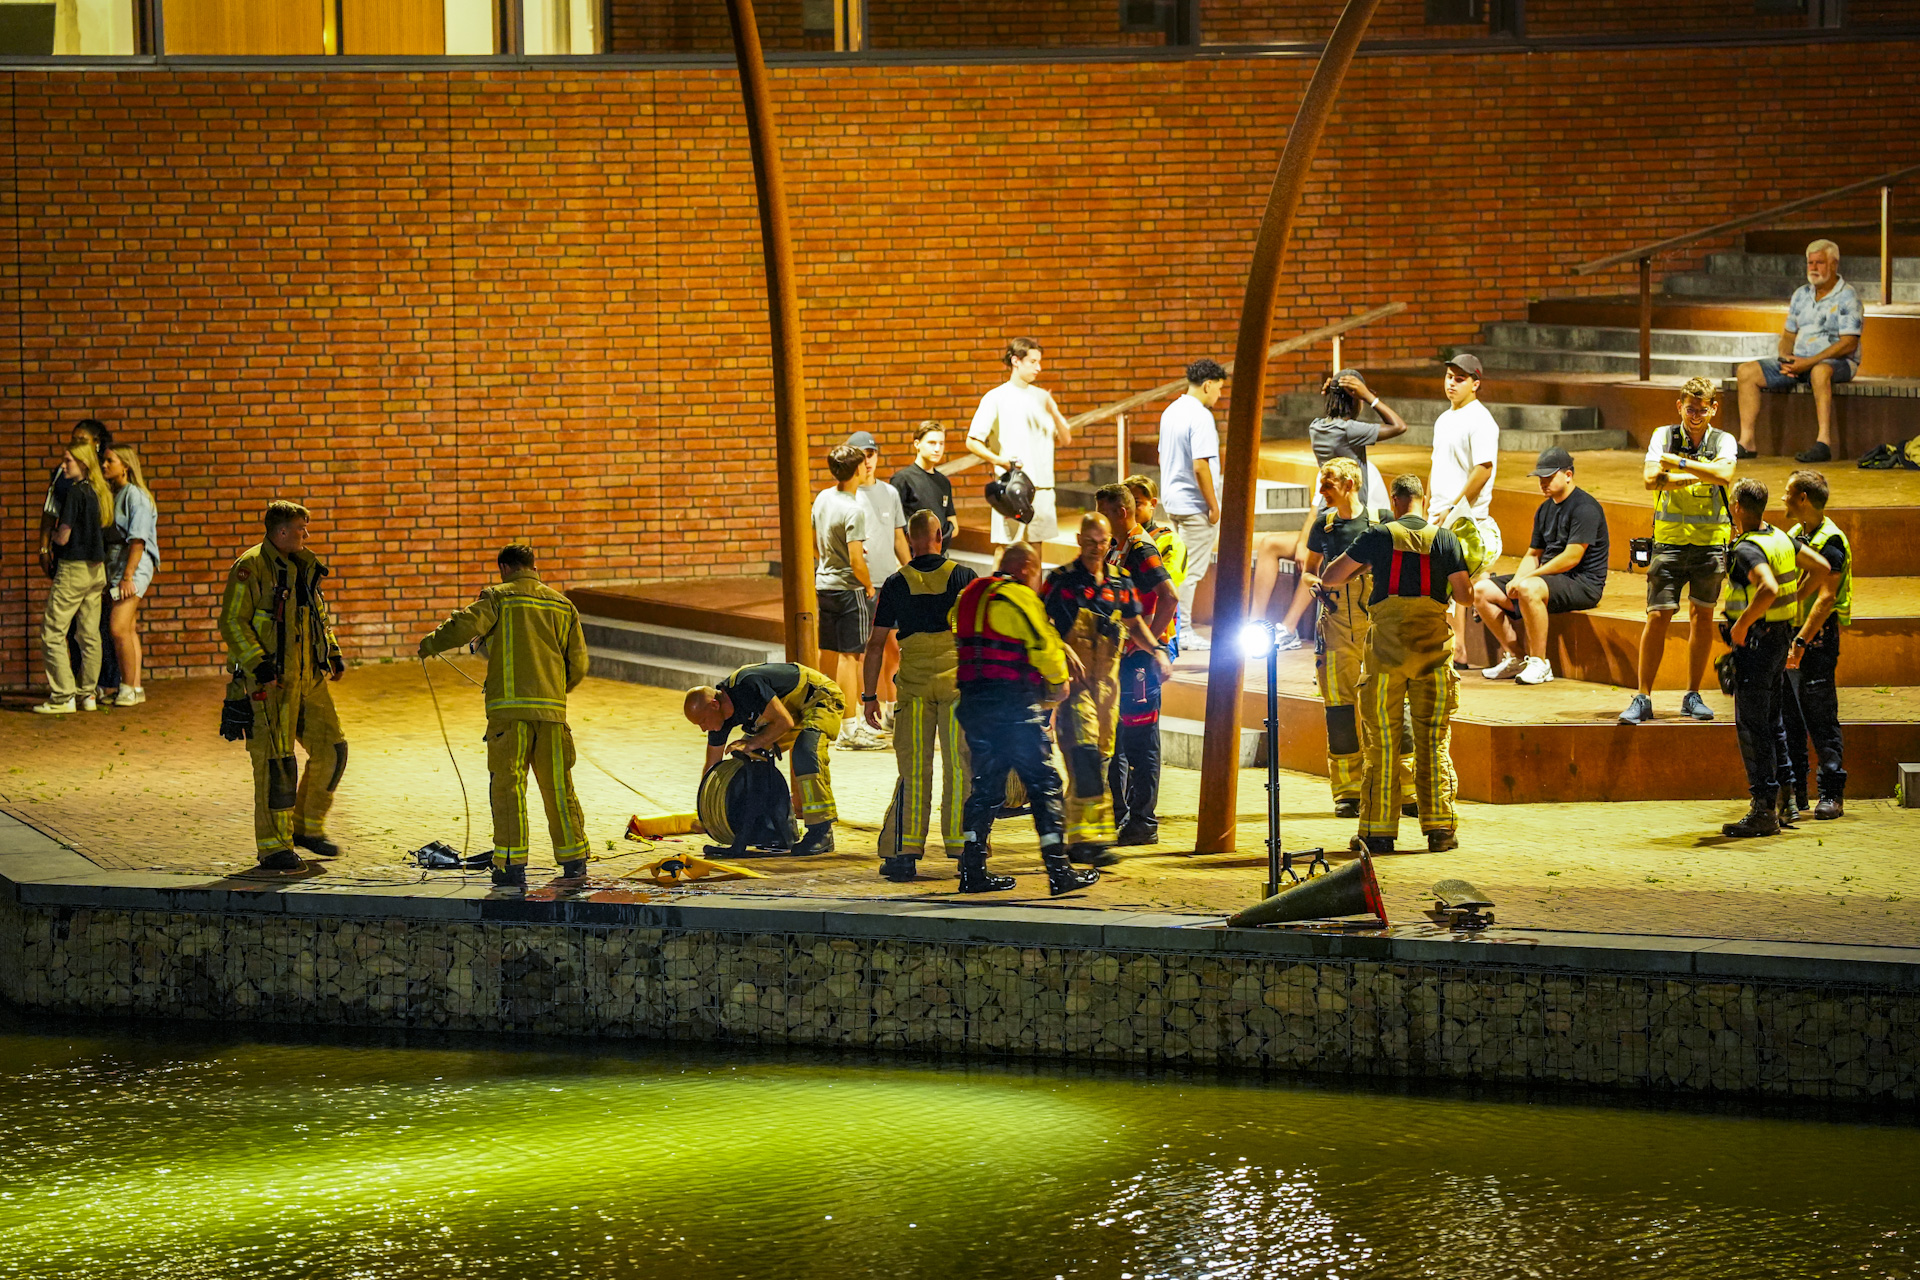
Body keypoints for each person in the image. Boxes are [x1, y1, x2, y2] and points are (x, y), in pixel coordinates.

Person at [418, 544, 590, 887]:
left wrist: (430, 644)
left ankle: (511, 864)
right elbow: (580, 664)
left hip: (508, 715)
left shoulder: (498, 597)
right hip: (553, 714)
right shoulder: (563, 604)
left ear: (505, 568)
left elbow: (463, 624)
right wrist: (554, 691)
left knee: (509, 787)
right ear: (533, 566)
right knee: (559, 787)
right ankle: (574, 860)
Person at [1319, 474, 1473, 854]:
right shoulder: (1446, 539)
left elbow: (1330, 576)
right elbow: (1466, 597)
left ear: (1394, 499)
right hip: (1434, 655)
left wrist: (1364, 569)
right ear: (1425, 498)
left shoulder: (1378, 536)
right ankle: (1440, 830)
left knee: (1382, 744)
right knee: (1432, 742)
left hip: (1386, 654)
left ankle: (1378, 833)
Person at [951, 542, 1098, 896]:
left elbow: (961, 632)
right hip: (1013, 705)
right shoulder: (1018, 597)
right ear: (1028, 566)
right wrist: (1059, 684)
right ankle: (1059, 871)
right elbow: (1043, 646)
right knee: (1044, 782)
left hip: (974, 704)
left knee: (986, 785)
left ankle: (972, 871)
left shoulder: (968, 596)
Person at [218, 500, 348, 870]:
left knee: (333, 750)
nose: (307, 535)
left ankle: (307, 826)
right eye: (301, 529)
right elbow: (232, 621)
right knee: (277, 764)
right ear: (281, 532)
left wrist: (333, 652)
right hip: (271, 684)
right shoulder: (251, 567)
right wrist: (259, 663)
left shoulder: (302, 565)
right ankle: (274, 846)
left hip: (309, 679)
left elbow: (318, 614)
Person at [1040, 514, 1171, 866]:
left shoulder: (1121, 580)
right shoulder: (1061, 580)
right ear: (1079, 538)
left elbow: (1135, 623)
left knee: (1100, 756)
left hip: (1109, 684)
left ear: (1110, 541)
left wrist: (1157, 650)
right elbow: (1039, 623)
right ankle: (1085, 841)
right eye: (1090, 540)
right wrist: (1063, 649)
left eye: (1103, 542)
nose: (1096, 548)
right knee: (1083, 755)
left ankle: (1085, 835)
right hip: (1076, 684)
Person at [863, 509, 978, 881]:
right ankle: (966, 849)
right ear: (940, 537)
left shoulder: (896, 583)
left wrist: (869, 697)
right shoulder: (964, 577)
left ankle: (903, 852)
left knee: (913, 770)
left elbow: (876, 643)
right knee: (960, 767)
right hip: (957, 685)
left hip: (912, 687)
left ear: (910, 541)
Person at [1619, 377, 1738, 725]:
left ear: (1714, 408)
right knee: (1657, 616)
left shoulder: (1723, 440)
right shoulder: (1663, 435)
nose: (1696, 415)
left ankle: (1692, 695)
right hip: (1669, 543)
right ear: (1679, 406)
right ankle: (1643, 697)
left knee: (1702, 619)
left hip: (1710, 546)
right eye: (1690, 408)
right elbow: (1649, 479)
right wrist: (1702, 473)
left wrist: (1679, 464)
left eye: (1703, 409)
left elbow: (1726, 474)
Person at [1718, 479, 1831, 838]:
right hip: (1779, 640)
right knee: (1772, 719)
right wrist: (1794, 600)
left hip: (1757, 643)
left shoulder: (1748, 548)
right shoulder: (1781, 537)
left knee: (1753, 727)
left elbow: (1765, 587)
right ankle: (1787, 800)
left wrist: (1741, 625)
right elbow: (1821, 567)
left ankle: (1763, 809)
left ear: (1736, 506)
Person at [1473, 446, 1609, 687]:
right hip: (1548, 579)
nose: (1543, 483)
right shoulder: (1545, 509)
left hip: (1582, 583)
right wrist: (1519, 578)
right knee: (1481, 590)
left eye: (1549, 477)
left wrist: (1527, 580)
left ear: (1568, 475)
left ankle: (1540, 663)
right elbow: (1533, 553)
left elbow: (1572, 557)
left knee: (1529, 588)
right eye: (1540, 478)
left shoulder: (1585, 508)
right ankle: (1516, 656)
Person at [684, 663, 846, 857]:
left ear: (714, 705)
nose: (703, 729)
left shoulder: (747, 686)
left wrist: (751, 744)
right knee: (750, 759)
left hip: (820, 697)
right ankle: (779, 831)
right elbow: (712, 766)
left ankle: (821, 832)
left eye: (702, 721)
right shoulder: (719, 717)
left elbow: (784, 722)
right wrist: (705, 814)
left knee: (805, 753)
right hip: (789, 710)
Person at [1298, 459, 1384, 817]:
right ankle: (1347, 792)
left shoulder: (1380, 521)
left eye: (1327, 485)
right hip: (1334, 625)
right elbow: (1307, 571)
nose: (1322, 492)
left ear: (1349, 484)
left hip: (1376, 625)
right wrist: (1314, 585)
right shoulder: (1324, 525)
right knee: (1339, 708)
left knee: (1385, 702)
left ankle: (1402, 786)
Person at [1094, 484, 1179, 845]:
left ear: (1123, 513)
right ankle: (1123, 815)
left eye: (1104, 512)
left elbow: (1169, 596)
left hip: (1139, 663)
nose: (1099, 518)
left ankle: (1143, 821)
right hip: (1119, 659)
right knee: (1119, 741)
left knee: (1141, 741)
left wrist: (1150, 642)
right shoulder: (1116, 546)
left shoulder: (1142, 549)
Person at [1734, 239, 1863, 464]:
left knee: (1820, 372)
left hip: (1837, 362)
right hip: (1800, 362)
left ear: (1834, 264)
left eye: (1819, 263)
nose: (1813, 268)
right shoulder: (1801, 294)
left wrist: (1809, 362)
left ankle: (1823, 443)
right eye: (1810, 263)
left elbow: (1849, 343)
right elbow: (1788, 336)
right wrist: (1786, 357)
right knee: (1746, 372)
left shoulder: (1847, 296)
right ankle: (1747, 442)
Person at [1781, 469, 1851, 821]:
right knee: (1790, 720)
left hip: (1816, 641)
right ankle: (1795, 794)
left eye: (1788, 492)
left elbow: (1825, 600)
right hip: (1794, 638)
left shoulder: (1831, 540)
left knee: (1821, 718)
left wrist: (1799, 643)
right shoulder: (1795, 534)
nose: (1783, 498)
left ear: (1802, 499)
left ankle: (1831, 793)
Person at [1427, 353, 1502, 666]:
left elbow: (1483, 469)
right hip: (1438, 512)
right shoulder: (1444, 419)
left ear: (1476, 383)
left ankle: (1458, 650)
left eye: (1460, 379)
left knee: (1452, 579)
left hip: (1464, 517)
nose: (1452, 383)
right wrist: (1427, 503)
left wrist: (1455, 508)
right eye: (1449, 377)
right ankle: (1449, 648)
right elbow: (1436, 466)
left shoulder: (1481, 420)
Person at [812, 443, 885, 750]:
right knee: (850, 655)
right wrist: (868, 586)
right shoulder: (854, 509)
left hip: (824, 582)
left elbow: (817, 539)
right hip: (848, 588)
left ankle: (818, 717)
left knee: (827, 651)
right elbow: (857, 561)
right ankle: (850, 728)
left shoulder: (823, 497)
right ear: (857, 470)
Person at [32, 441, 113, 715]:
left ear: (83, 464)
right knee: (89, 634)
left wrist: (51, 539)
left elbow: (64, 534)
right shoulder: (99, 492)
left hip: (73, 569)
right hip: (96, 569)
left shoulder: (75, 494)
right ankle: (87, 693)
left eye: (68, 461)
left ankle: (63, 696)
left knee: (52, 631)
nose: (63, 466)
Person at [966, 337, 1072, 548]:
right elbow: (972, 441)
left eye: (1039, 362)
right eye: (1032, 362)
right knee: (1006, 549)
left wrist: (1055, 412)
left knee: (1036, 550)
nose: (1038, 368)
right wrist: (999, 460)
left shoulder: (1041, 397)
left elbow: (1066, 439)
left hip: (1042, 487)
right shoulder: (996, 397)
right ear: (1016, 361)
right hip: (1013, 486)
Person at [1157, 357, 1225, 649]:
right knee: (1191, 571)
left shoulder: (1171, 411)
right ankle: (1181, 629)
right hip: (1195, 505)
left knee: (1175, 567)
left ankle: (1170, 627)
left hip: (1173, 501)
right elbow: (1200, 465)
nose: (1219, 396)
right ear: (1207, 384)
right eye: (1219, 389)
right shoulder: (1200, 416)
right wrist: (1213, 505)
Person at [848, 430, 910, 730]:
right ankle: (860, 715)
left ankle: (891, 710)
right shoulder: (847, 495)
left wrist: (912, 570)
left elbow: (898, 534)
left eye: (870, 454)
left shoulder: (890, 493)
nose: (866, 461)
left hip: (889, 582)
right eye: (860, 455)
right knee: (862, 651)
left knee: (894, 647)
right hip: (861, 584)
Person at [101, 443, 161, 707]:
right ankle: (134, 687)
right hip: (121, 564)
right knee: (128, 628)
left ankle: (127, 685)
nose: (104, 465)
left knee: (118, 627)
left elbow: (138, 539)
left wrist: (128, 576)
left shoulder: (135, 495)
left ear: (124, 465)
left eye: (109, 461)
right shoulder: (119, 493)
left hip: (133, 565)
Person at [1310, 368, 1407, 517]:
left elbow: (1333, 414)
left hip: (1326, 514)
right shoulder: (1349, 430)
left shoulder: (1316, 427)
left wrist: (1332, 395)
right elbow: (1399, 426)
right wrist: (1370, 398)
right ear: (1355, 399)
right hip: (1347, 517)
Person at [890, 420, 959, 551]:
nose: (937, 449)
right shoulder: (903, 479)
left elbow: (954, 526)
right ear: (917, 444)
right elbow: (894, 526)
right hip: (912, 556)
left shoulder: (943, 482)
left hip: (939, 555)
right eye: (932, 443)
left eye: (941, 443)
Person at [1124, 474, 1188, 589]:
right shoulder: (1113, 539)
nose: (1129, 509)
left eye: (1136, 503)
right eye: (1124, 504)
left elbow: (1167, 589)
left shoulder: (1170, 541)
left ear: (1152, 503)